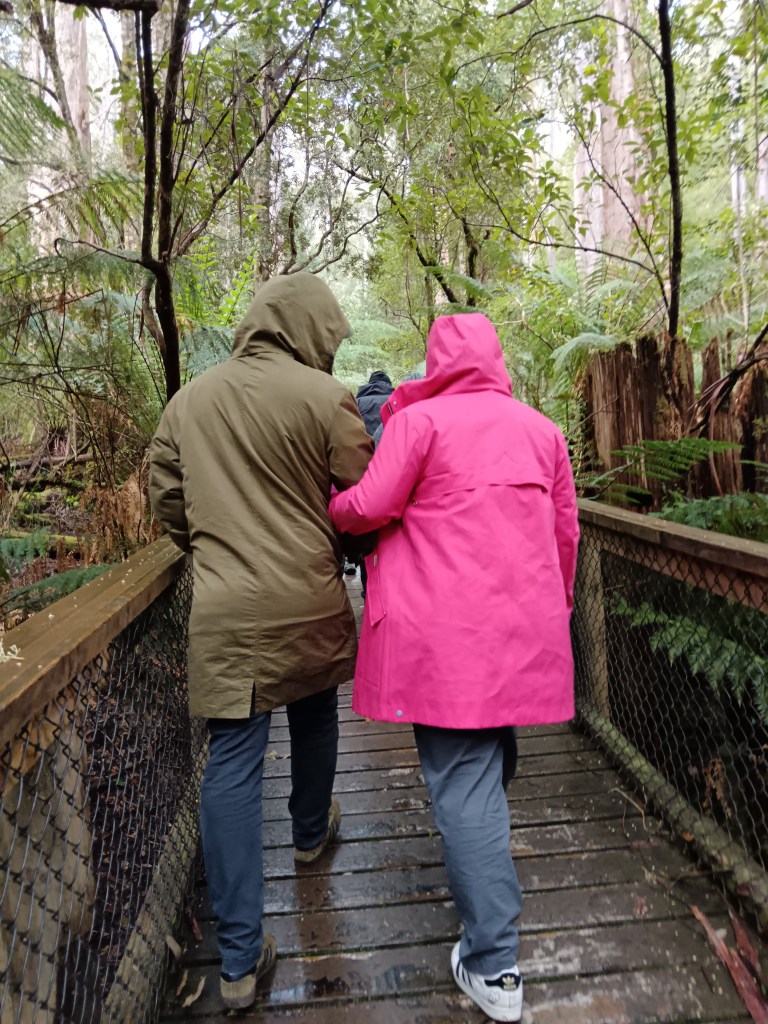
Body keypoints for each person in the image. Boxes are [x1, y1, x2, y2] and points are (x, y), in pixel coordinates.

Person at [328, 312, 579, 1023]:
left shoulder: (419, 424)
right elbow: (565, 534)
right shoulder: (542, 432)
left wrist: (331, 506)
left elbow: (369, 506)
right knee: (487, 757)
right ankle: (485, 873)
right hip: (518, 631)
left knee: (464, 783)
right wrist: (555, 611)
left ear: (436, 359)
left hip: (444, 641)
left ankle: (494, 966)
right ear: (495, 357)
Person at [149, 273, 374, 1011]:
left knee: (234, 761)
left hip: (225, 611)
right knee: (314, 709)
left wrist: (211, 544)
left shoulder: (189, 403)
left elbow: (167, 498)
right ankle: (310, 833)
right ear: (307, 329)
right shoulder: (325, 399)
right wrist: (339, 545)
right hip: (307, 597)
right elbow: (360, 497)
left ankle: (240, 964)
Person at [355, 370, 394, 436]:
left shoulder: (358, 402)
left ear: (369, 384)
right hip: (392, 441)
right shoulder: (396, 401)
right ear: (389, 384)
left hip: (365, 442)